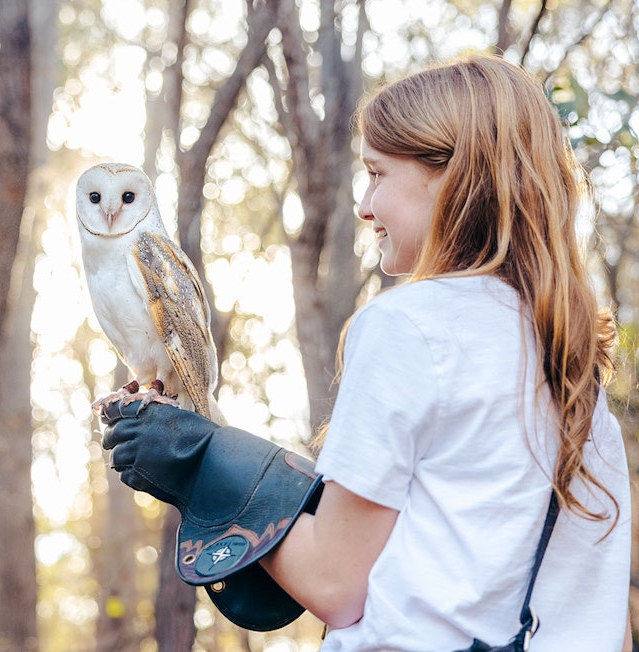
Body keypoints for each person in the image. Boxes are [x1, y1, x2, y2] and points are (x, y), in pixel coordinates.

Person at [100, 54, 631, 649]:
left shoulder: (410, 326)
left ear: (450, 174)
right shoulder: (574, 369)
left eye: (378, 173)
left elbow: (335, 584)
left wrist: (203, 467)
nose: (364, 204)